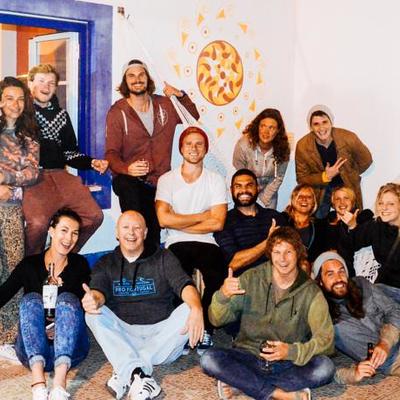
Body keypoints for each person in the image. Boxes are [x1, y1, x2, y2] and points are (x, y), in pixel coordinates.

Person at [201, 226, 335, 400]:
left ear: (298, 253)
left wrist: (291, 351)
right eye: (277, 252)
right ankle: (278, 393)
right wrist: (222, 296)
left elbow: (326, 340)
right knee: (209, 359)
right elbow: (216, 320)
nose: (283, 259)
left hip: (288, 362)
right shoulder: (251, 278)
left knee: (325, 368)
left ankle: (243, 384)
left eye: (288, 252)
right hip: (249, 355)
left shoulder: (311, 291)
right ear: (270, 254)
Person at [83, 210, 204, 400]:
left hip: (162, 337)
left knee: (190, 308)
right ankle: (138, 374)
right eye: (126, 227)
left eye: (137, 228)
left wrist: (197, 308)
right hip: (125, 335)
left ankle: (127, 369)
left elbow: (185, 285)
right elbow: (99, 292)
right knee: (92, 313)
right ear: (117, 232)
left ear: (145, 233)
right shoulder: (105, 263)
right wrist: (93, 300)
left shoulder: (164, 257)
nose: (131, 233)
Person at [106, 59, 199, 247]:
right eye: (131, 76)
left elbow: (192, 116)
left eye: (141, 75)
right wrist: (127, 169)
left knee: (153, 233)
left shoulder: (164, 104)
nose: (137, 79)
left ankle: (151, 257)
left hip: (159, 181)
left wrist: (180, 95)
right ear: (125, 81)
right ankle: (132, 251)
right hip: (130, 182)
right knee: (136, 218)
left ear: (148, 78)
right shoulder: (118, 112)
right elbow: (111, 154)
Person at [0, 208, 91, 400]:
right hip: (32, 351)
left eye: (75, 233)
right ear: (51, 230)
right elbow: (4, 293)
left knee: (67, 300)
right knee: (30, 299)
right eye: (64, 230)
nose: (69, 238)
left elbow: (86, 303)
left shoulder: (79, 264)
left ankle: (59, 384)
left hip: (71, 350)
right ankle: (38, 384)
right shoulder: (30, 265)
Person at [23, 63, 108, 256]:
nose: (46, 86)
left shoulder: (62, 115)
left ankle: (62, 257)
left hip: (61, 175)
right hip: (34, 177)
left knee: (94, 216)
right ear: (30, 83)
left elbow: (70, 152)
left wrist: (91, 162)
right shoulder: (23, 113)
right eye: (41, 81)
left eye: (51, 83)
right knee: (38, 224)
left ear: (56, 87)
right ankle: (32, 265)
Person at [155, 126, 227, 353]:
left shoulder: (216, 180)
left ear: (206, 149)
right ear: (181, 148)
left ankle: (205, 328)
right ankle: (184, 330)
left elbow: (218, 223)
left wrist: (178, 220)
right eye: (189, 143)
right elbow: (163, 219)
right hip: (176, 241)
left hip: (207, 241)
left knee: (216, 276)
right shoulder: (167, 180)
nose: (194, 148)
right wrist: (202, 216)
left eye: (199, 144)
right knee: (178, 278)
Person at [314, 251, 400, 384]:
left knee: (382, 288)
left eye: (341, 271)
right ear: (320, 281)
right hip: (394, 359)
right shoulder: (320, 313)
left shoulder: (361, 285)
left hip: (395, 334)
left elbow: (393, 309)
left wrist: (385, 342)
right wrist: (352, 374)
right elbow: (321, 362)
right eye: (330, 274)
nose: (338, 278)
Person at [0, 76, 39, 345]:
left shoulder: (29, 138)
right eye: (9, 98)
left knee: (14, 269)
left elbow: (32, 173)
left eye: (20, 99)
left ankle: (10, 335)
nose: (15, 104)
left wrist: (6, 180)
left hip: (12, 209)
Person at [295, 104, 372, 218]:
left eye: (324, 122)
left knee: (352, 220)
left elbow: (366, 160)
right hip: (321, 189)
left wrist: (350, 172)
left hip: (347, 185)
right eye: (316, 124)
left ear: (331, 122)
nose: (321, 128)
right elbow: (301, 178)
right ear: (310, 127)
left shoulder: (348, 137)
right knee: (318, 221)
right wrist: (325, 176)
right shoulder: (302, 145)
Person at [215, 168, 287, 275]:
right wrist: (268, 242)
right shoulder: (225, 221)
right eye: (238, 186)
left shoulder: (275, 217)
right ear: (231, 190)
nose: (244, 190)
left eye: (249, 185)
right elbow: (234, 263)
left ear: (257, 188)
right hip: (246, 279)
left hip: (278, 275)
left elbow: (290, 250)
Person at [341, 183, 400, 301]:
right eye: (381, 203)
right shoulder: (377, 225)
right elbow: (353, 243)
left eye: (391, 204)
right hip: (382, 291)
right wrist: (352, 225)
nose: (384, 208)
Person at [233, 108, 290, 209]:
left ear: (278, 131)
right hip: (247, 190)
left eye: (271, 128)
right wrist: (251, 190)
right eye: (263, 126)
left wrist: (264, 200)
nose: (266, 131)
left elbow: (279, 176)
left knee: (267, 218)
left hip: (269, 194)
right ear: (257, 127)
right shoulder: (243, 144)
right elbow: (239, 170)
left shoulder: (283, 148)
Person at [321, 186, 373, 276]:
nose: (342, 202)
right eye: (338, 199)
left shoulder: (363, 218)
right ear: (333, 204)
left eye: (346, 198)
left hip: (354, 271)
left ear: (352, 202)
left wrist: (353, 226)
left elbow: (360, 246)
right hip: (330, 269)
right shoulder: (325, 223)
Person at [282, 184, 325, 269]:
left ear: (313, 203)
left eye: (309, 197)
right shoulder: (282, 220)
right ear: (293, 200)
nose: (304, 199)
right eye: (300, 196)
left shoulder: (320, 226)